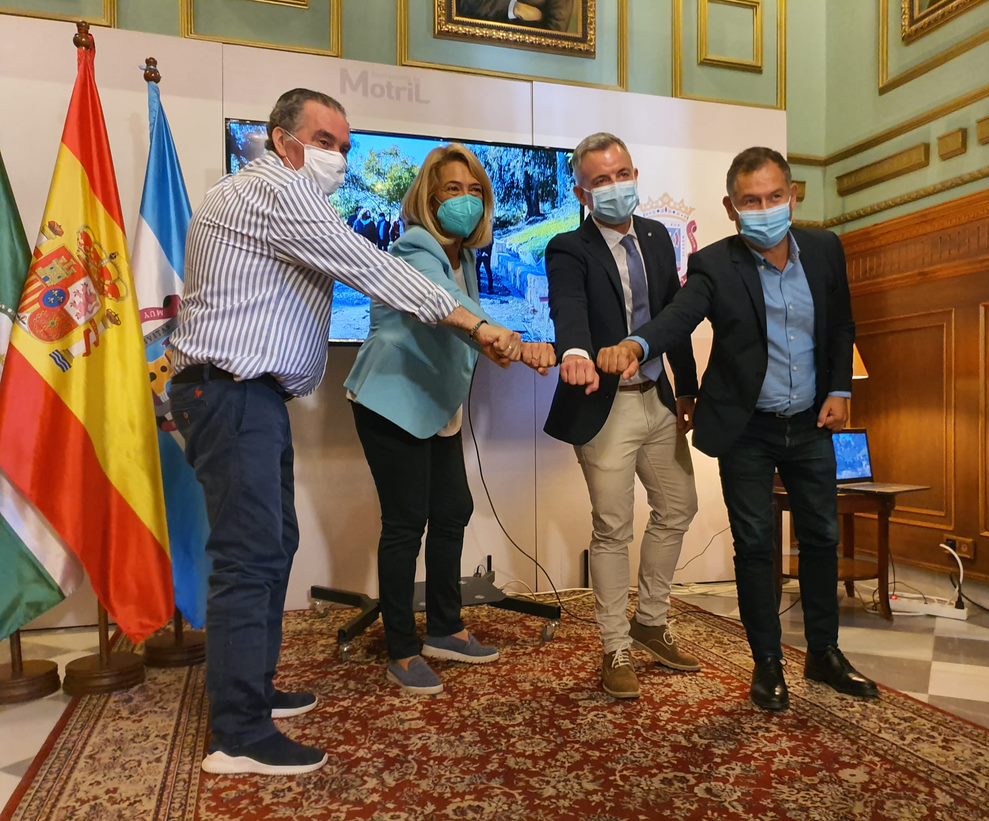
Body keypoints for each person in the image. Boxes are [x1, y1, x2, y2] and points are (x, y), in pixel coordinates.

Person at [168, 88, 525, 777]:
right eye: (324, 141)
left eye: (345, 146)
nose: (338, 157)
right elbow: (373, 268)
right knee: (248, 558)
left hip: (249, 394)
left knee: (272, 547)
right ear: (282, 142)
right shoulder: (273, 191)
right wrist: (479, 325)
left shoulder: (276, 195)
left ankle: (254, 694)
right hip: (230, 391)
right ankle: (238, 734)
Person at [596, 147, 879, 712]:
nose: (765, 208)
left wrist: (841, 390)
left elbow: (841, 324)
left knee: (822, 538)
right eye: (751, 201)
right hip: (747, 429)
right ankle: (767, 664)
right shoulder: (715, 264)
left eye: (775, 197)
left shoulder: (825, 249)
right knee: (753, 546)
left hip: (812, 423)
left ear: (793, 196)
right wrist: (638, 344)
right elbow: (679, 317)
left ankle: (824, 653)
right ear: (731, 208)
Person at [346, 144, 555, 696]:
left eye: (474, 190)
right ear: (429, 197)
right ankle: (401, 649)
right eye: (452, 189)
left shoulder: (462, 257)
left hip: (437, 407)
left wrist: (507, 347)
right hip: (392, 402)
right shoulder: (415, 247)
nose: (465, 199)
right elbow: (442, 304)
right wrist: (505, 338)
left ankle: (444, 628)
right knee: (405, 524)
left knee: (452, 510)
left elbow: (469, 329)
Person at [544, 132, 701, 700]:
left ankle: (651, 622)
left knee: (679, 506)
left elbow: (673, 317)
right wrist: (576, 354)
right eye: (601, 181)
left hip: (657, 397)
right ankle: (615, 645)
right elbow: (569, 308)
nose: (616, 187)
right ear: (583, 193)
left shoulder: (656, 236)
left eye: (622, 174)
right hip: (604, 404)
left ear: (635, 174)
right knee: (613, 528)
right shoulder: (568, 248)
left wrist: (688, 388)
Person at [457, 0, 574, 31]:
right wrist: (513, 7)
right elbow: (465, 4)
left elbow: (556, 31)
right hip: (480, 43)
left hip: (528, 57)